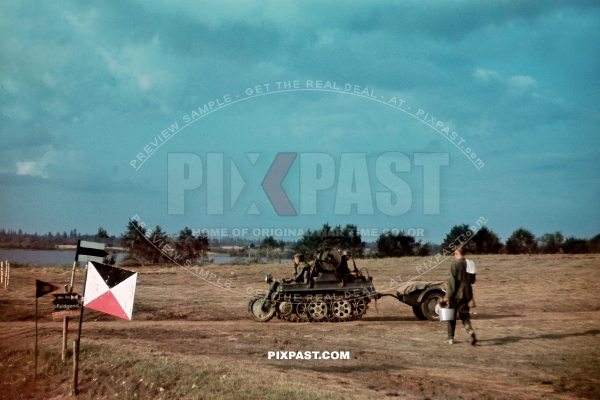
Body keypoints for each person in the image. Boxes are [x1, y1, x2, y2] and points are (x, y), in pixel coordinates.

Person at [443, 246, 477, 345]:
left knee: (451, 316)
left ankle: (450, 338)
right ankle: (470, 331)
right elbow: (472, 280)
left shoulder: (454, 264)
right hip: (467, 294)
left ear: (457, 253)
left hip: (456, 295)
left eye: (455, 253)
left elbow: (452, 283)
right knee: (464, 315)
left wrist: (447, 296)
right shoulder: (470, 263)